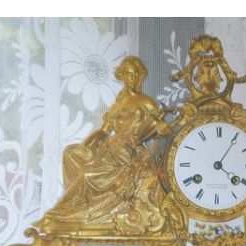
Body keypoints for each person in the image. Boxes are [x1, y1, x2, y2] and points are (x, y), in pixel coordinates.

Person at [34, 56, 171, 235]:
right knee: (71, 154)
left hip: (129, 154)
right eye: (128, 74)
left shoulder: (146, 102)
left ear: (141, 76)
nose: (132, 78)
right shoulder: (118, 104)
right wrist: (85, 146)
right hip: (110, 150)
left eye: (136, 74)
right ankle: (74, 211)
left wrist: (162, 129)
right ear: (122, 76)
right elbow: (103, 132)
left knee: (87, 176)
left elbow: (161, 130)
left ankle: (60, 215)